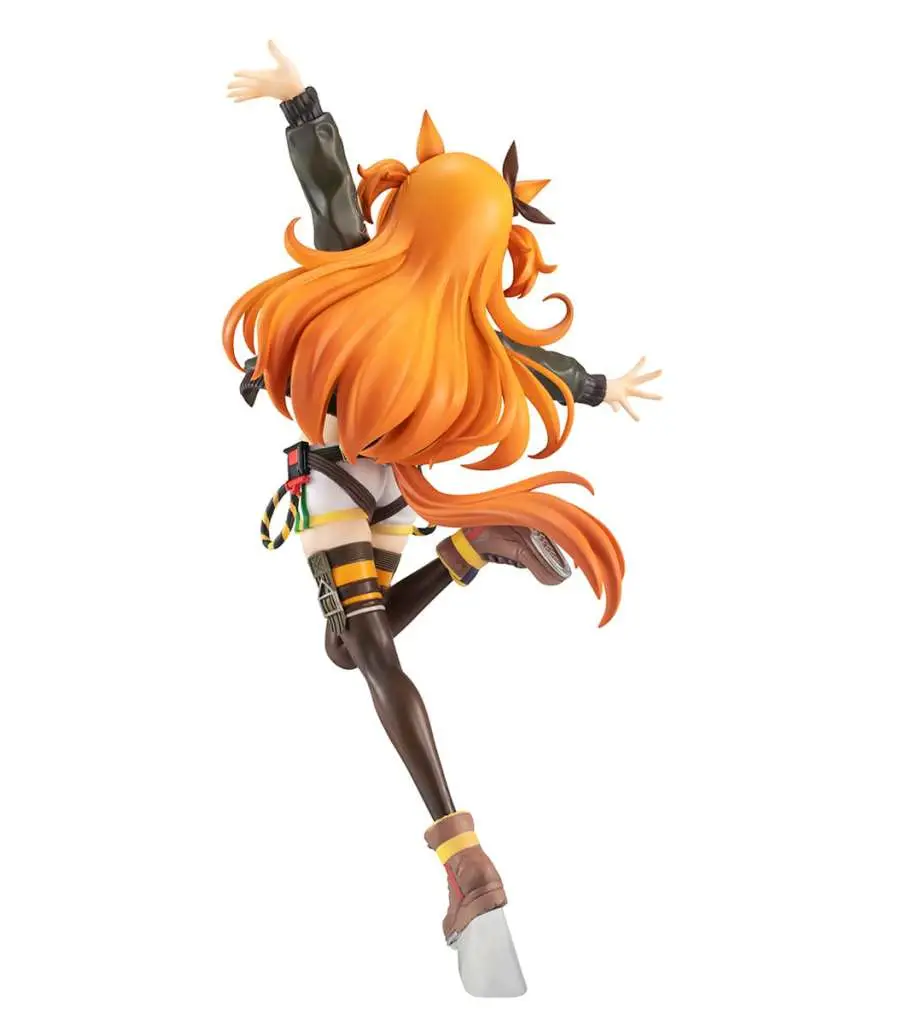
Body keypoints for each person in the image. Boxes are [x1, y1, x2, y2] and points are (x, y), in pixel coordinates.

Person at [224, 42, 662, 996]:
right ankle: (470, 547)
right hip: (387, 486)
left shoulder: (366, 269)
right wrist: (597, 386)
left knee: (368, 653)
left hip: (335, 482)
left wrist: (301, 106)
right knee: (349, 649)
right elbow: (532, 363)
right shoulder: (445, 313)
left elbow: (331, 193)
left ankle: (462, 858)